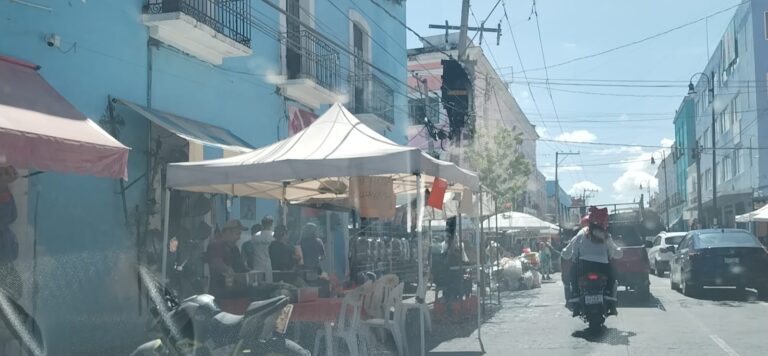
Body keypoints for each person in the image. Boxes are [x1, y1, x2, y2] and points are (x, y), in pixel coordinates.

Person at [561, 206, 623, 316]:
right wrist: (617, 253)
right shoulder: (606, 235)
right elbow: (614, 251)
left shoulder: (581, 233)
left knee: (572, 273)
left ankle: (575, 295)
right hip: (602, 267)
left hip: (584, 267)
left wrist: (565, 254)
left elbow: (570, 251)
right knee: (613, 275)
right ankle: (609, 295)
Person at [206, 219, 249, 297]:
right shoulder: (217, 245)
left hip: (234, 292)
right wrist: (228, 269)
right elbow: (216, 263)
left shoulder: (234, 248)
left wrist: (249, 273)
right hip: (220, 293)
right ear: (228, 233)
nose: (239, 238)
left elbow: (240, 267)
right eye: (237, 234)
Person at [244, 216, 275, 282]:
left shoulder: (255, 237)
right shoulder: (274, 237)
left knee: (258, 286)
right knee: (268, 285)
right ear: (272, 224)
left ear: (262, 224)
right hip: (269, 267)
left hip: (257, 266)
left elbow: (250, 252)